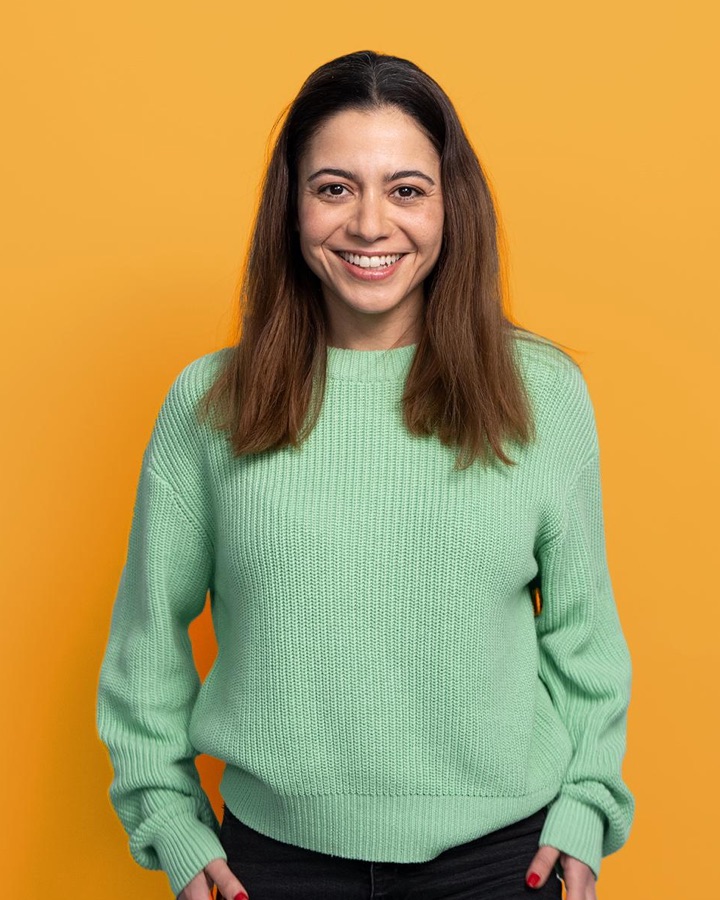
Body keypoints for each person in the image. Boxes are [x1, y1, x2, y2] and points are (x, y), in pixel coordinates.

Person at [96, 49, 635, 900]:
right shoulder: (209, 402)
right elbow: (145, 641)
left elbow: (584, 635)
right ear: (292, 207)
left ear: (451, 206)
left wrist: (587, 808)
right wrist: (166, 816)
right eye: (335, 187)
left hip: (503, 864)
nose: (371, 225)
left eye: (407, 189)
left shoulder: (543, 393)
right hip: (270, 867)